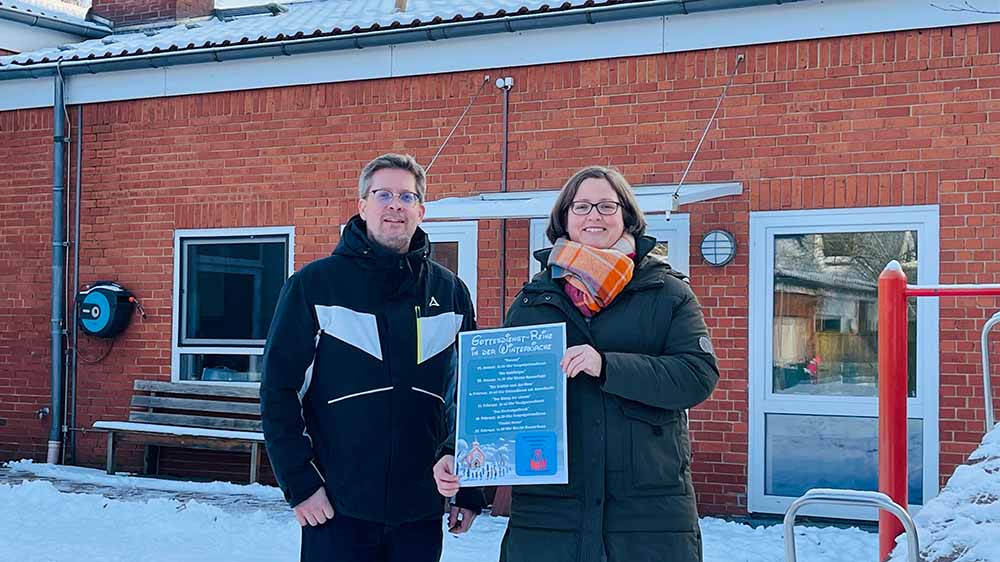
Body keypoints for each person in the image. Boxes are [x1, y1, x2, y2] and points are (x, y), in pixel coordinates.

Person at [434, 166, 720, 562]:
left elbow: (696, 375)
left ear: (627, 217)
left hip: (646, 516)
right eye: (582, 206)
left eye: (606, 205)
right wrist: (461, 464)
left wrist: (607, 366)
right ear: (564, 219)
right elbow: (497, 396)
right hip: (551, 515)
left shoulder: (667, 293)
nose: (594, 216)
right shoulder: (534, 300)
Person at [261, 153, 485, 562]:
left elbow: (469, 397)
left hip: (420, 510)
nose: (395, 205)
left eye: (406, 195)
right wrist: (300, 484)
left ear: (421, 210)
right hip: (336, 508)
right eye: (383, 194)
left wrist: (468, 488)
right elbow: (278, 392)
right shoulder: (314, 286)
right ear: (362, 205)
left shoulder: (451, 293)